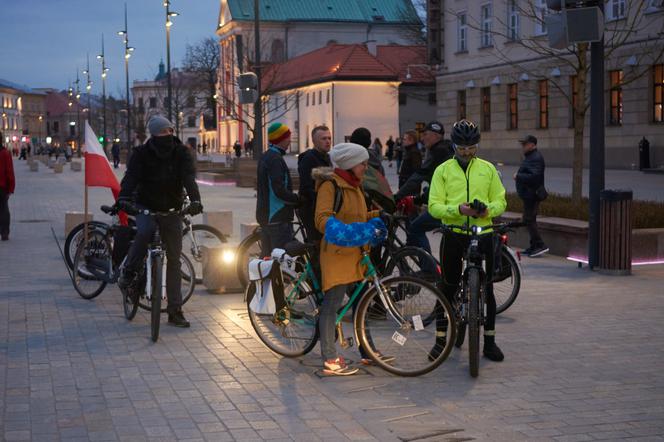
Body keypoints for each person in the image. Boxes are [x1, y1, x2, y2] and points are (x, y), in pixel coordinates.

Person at [428, 119, 507, 362]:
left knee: (488, 288)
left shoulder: (487, 169)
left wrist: (488, 211)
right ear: (454, 146)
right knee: (448, 287)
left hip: (482, 234)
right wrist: (458, 210)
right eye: (462, 148)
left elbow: (501, 201)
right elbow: (434, 207)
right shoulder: (443, 171)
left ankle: (490, 342)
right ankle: (441, 340)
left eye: (471, 147)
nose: (466, 152)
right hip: (454, 233)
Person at [117, 115, 202, 328]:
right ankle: (129, 271)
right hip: (146, 204)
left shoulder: (181, 152)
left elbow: (189, 178)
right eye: (163, 132)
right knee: (144, 231)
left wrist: (196, 200)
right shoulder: (142, 154)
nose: (168, 135)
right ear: (153, 134)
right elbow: (131, 177)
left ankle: (175, 311)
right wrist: (124, 197)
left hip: (172, 208)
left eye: (170, 131)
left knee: (174, 260)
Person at [313, 143, 383, 375]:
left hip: (357, 254)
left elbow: (357, 214)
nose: (366, 167)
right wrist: (346, 232)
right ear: (350, 165)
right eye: (363, 163)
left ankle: (368, 351)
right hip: (337, 254)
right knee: (332, 304)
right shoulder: (330, 185)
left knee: (362, 303)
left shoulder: (355, 185)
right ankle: (330, 358)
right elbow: (322, 219)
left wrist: (376, 218)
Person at [395, 121, 454, 254]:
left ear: (435, 136)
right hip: (454, 201)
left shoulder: (438, 152)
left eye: (425, 134)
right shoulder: (448, 150)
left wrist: (398, 196)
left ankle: (428, 270)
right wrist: (423, 197)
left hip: (446, 205)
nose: (422, 138)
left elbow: (419, 175)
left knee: (415, 228)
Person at [256, 123, 299, 256]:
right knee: (281, 259)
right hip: (277, 217)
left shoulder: (266, 156)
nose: (289, 140)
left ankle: (266, 278)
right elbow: (279, 190)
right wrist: (297, 199)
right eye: (287, 137)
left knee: (267, 259)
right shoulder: (275, 159)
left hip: (265, 216)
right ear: (280, 139)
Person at [514, 135, 548, 257]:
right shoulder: (530, 157)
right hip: (529, 194)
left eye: (525, 144)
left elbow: (535, 177)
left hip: (532, 194)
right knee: (529, 220)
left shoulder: (535, 157)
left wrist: (518, 176)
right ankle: (534, 246)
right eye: (522, 144)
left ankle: (540, 245)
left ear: (533, 145)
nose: (523, 146)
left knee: (529, 220)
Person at [297, 125, 332, 242]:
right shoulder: (309, 159)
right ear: (314, 141)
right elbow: (307, 187)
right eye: (324, 139)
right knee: (317, 244)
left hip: (322, 207)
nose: (328, 141)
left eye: (329, 138)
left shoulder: (327, 157)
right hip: (310, 208)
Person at [0, 133, 16, 241]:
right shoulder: (5, 153)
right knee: (3, 209)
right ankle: (4, 232)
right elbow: (9, 172)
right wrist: (10, 188)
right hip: (2, 187)